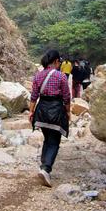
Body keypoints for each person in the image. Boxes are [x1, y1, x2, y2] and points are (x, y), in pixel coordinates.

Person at [29, 49, 71, 187]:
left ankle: (43, 166)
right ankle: (46, 168)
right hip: (56, 111)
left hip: (41, 111)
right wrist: (68, 112)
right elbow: (66, 97)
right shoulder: (61, 76)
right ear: (55, 61)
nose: (59, 64)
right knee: (54, 141)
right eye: (59, 62)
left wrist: (31, 112)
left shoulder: (38, 76)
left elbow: (34, 96)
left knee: (47, 139)